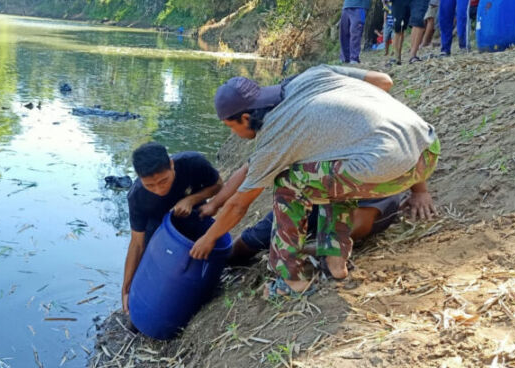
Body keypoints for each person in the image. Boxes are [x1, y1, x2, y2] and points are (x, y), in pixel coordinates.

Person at [190, 66, 440, 298]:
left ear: (245, 118)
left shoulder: (276, 134)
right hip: (427, 151)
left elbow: (239, 205)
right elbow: (384, 81)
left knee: (288, 184)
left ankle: (291, 279)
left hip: (391, 169)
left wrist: (208, 239)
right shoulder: (314, 75)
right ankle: (335, 263)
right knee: (332, 175)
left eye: (230, 126)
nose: (232, 133)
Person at [121, 142, 223, 313]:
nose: (159, 189)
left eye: (163, 181)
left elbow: (218, 185)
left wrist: (191, 199)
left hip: (193, 214)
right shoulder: (136, 196)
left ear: (172, 164)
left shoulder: (193, 163)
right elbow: (137, 243)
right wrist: (126, 287)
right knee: (154, 270)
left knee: (194, 264)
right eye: (150, 185)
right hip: (157, 226)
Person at [229, 192, 410, 264]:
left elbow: (354, 229)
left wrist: (300, 250)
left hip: (336, 204)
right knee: (254, 239)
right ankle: (226, 260)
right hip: (318, 196)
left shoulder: (375, 186)